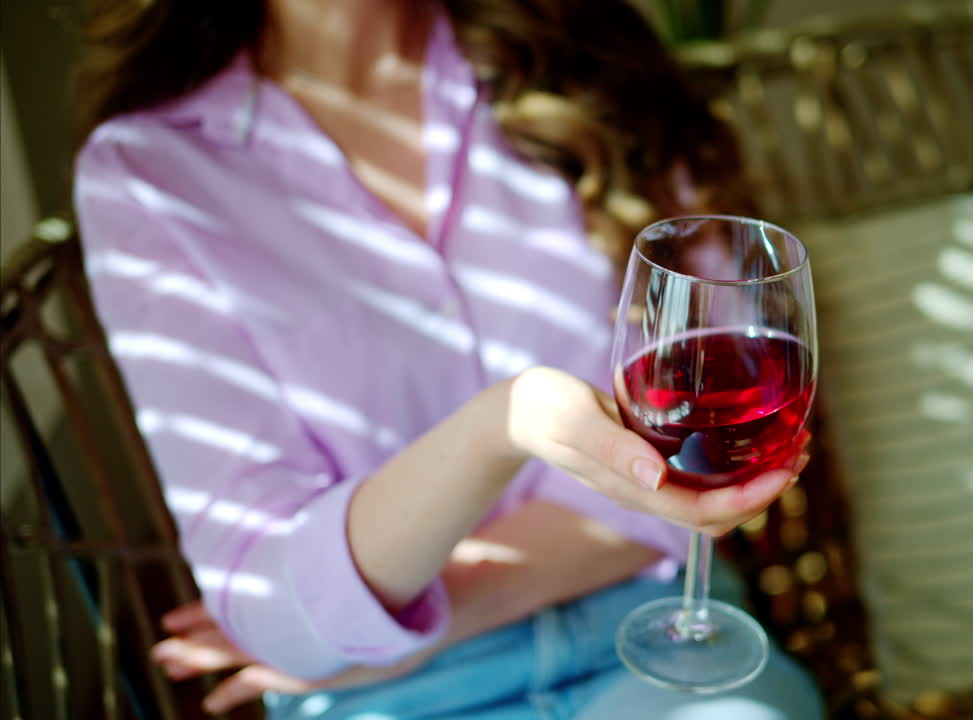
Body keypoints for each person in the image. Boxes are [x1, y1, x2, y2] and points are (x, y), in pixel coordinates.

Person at [73, 0, 824, 718]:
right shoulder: (149, 171)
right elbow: (273, 604)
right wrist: (504, 426)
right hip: (390, 700)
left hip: (662, 638)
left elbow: (700, 444)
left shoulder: (589, 67)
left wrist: (397, 625)